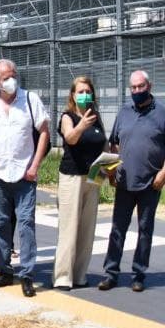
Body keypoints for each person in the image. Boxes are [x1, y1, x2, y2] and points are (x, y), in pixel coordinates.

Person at [0, 58, 50, 298]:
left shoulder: (30, 99)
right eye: (6, 77)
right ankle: (4, 270)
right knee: (2, 222)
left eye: (14, 75)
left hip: (25, 173)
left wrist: (35, 165)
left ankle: (26, 274)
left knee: (26, 222)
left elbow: (44, 131)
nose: (11, 80)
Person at [102, 69, 165, 293]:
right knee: (117, 229)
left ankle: (138, 275)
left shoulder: (162, 113)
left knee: (145, 230)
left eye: (141, 86)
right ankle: (111, 273)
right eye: (133, 87)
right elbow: (114, 144)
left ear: (149, 86)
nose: (137, 91)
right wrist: (112, 172)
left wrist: (163, 174)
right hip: (124, 182)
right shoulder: (124, 112)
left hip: (150, 183)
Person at [53, 76, 105, 290]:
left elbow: (102, 144)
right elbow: (70, 138)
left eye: (88, 91)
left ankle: (80, 274)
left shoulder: (96, 117)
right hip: (72, 177)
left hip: (94, 176)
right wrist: (82, 125)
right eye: (80, 91)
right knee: (69, 227)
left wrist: (109, 165)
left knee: (87, 228)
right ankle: (63, 276)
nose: (84, 95)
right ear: (73, 95)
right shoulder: (68, 117)